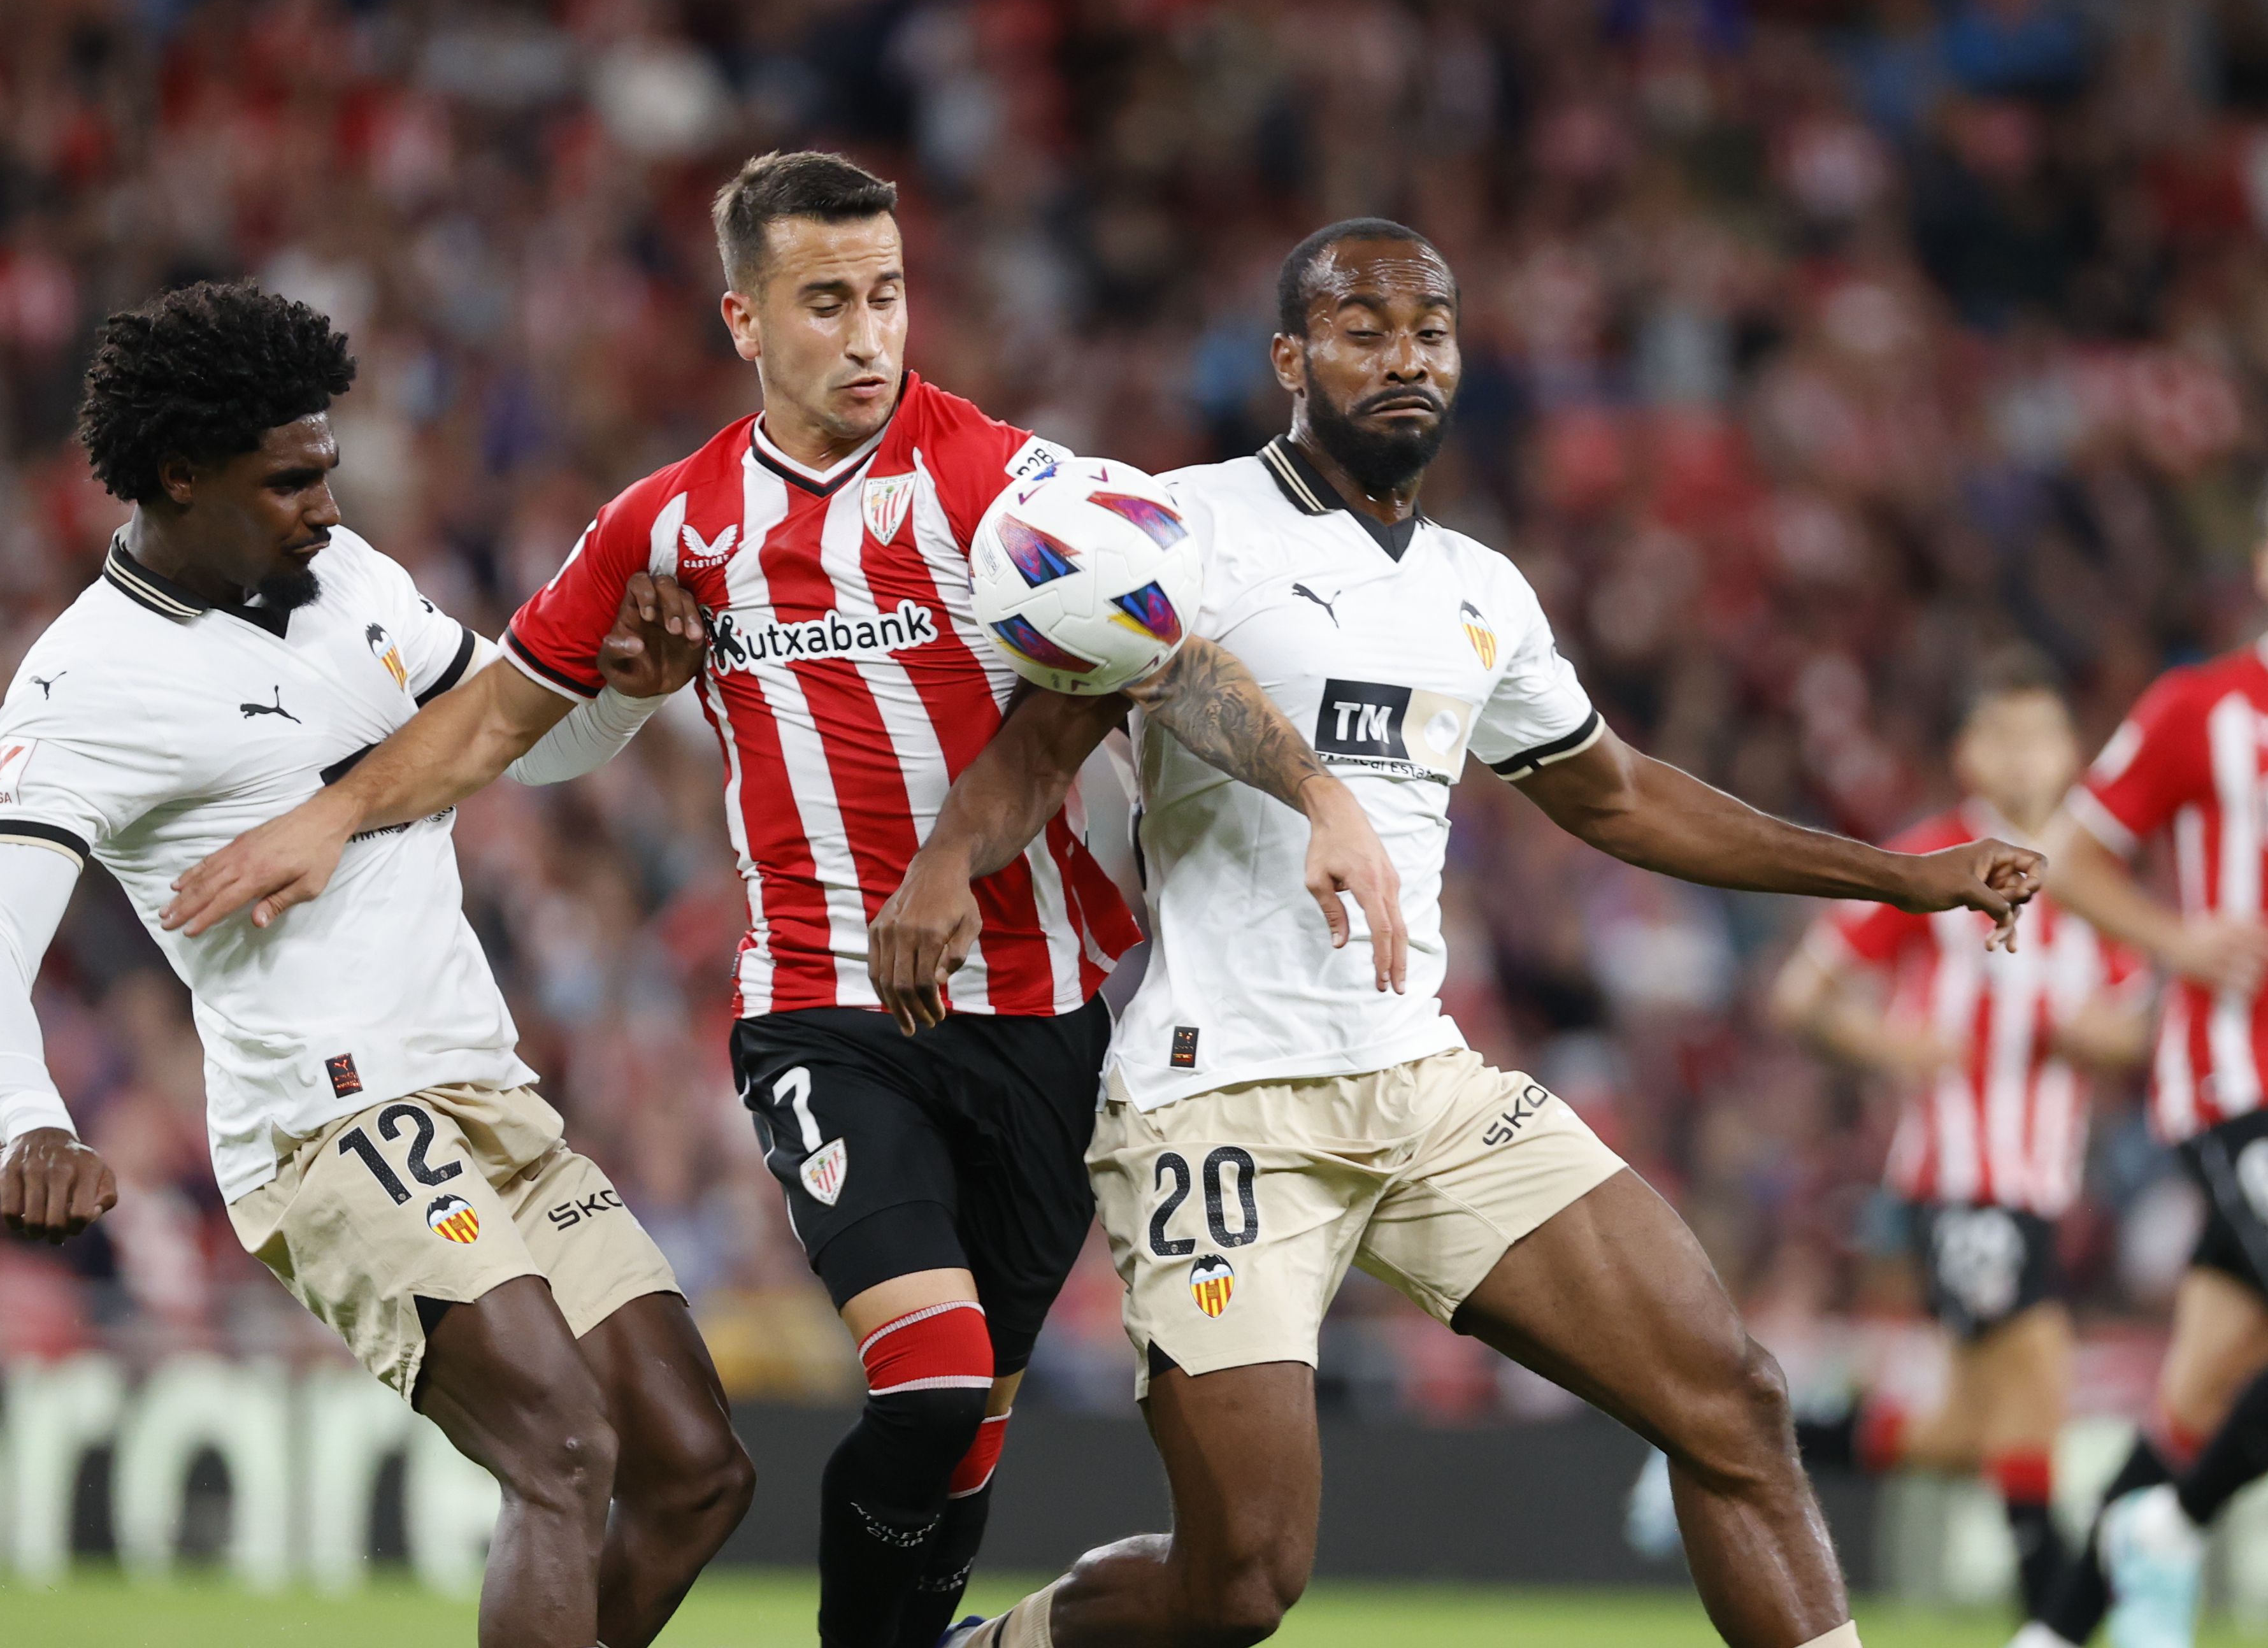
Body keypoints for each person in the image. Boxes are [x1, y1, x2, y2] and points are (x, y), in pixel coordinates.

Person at [155, 153, 1404, 1648]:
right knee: (929, 1377)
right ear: (744, 318)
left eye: (886, 295)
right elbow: (503, 713)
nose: (869, 334)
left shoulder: (1005, 483)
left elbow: (1166, 654)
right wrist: (335, 813)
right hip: (825, 1012)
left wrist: (1326, 801)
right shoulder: (672, 524)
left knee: (967, 1427)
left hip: (1049, 1019)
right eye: (826, 302)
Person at [866, 219, 2046, 1648]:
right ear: (1291, 358)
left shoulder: (1480, 590)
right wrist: (942, 865)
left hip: (1422, 1084)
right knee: (1241, 1579)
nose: (1404, 356)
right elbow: (1044, 743)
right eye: (1363, 330)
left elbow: (1621, 799)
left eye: (1429, 329)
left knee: (1728, 1398)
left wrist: (1895, 874)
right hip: (1221, 1097)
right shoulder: (1180, 524)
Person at [0, 282, 752, 1648]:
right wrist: (32, 1118)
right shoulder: (84, 686)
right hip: (330, 1120)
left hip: (488, 1094)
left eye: (327, 469)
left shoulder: (350, 579)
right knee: (561, 1453)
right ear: (177, 475)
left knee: (695, 1470)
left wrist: (623, 690)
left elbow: (517, 736)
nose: (324, 503)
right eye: (288, 481)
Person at [1646, 651, 2146, 1619]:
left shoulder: (2095, 881)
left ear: (2072, 750)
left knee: (1970, 1430)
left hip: (2044, 1183)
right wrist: (1896, 1043)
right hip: (1962, 1178)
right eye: (2001, 733)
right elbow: (1801, 995)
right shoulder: (1939, 860)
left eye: (2041, 733)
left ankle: (1728, 1445)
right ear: (1967, 752)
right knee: (2035, 1394)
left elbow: (2137, 1020)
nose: (2023, 755)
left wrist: (2101, 1035)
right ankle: (2058, 1623)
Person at [2012, 521, 2268, 1648]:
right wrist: (2177, 939)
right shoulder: (2199, 709)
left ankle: (2055, 1632)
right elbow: (2067, 858)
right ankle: (2174, 1524)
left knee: (2203, 1385)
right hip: (2236, 1081)